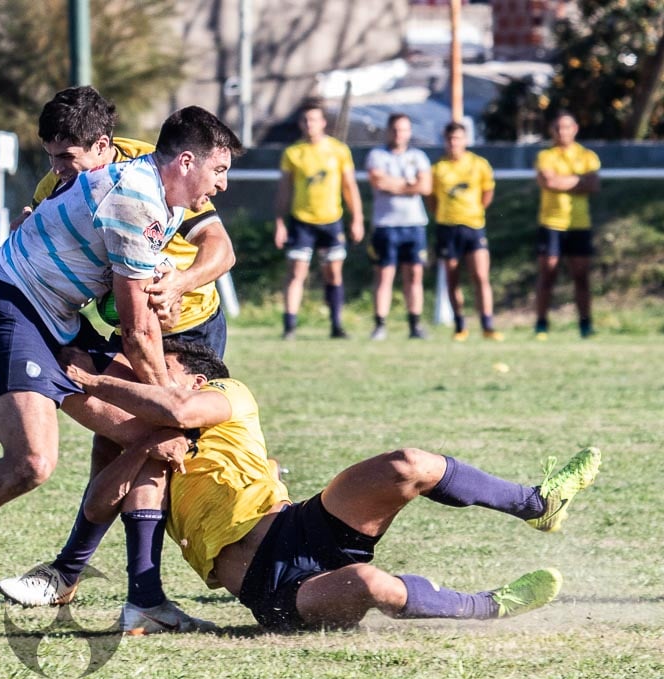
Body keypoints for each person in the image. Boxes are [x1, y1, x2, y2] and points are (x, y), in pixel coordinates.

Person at [0, 107, 245, 627]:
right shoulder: (137, 198)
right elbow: (136, 328)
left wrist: (169, 293)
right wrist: (172, 407)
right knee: (33, 462)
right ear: (187, 161)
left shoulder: (157, 195)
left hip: (54, 317)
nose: (224, 184)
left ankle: (141, 599)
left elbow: (147, 283)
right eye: (219, 170)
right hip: (7, 312)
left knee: (146, 436)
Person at [51, 339, 600, 632]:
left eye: (157, 369)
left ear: (196, 378)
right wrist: (143, 446)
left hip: (298, 523)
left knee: (407, 463)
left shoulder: (225, 394)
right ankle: (488, 607)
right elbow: (101, 502)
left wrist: (96, 379)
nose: (143, 381)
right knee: (367, 583)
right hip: (269, 588)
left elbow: (176, 405)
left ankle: (538, 502)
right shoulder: (151, 446)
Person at [18, 86, 236, 357]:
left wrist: (179, 284)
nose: (56, 168)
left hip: (191, 324)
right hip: (129, 325)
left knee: (170, 399)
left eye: (66, 157)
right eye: (50, 155)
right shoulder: (56, 184)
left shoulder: (154, 169)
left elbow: (221, 247)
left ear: (101, 145)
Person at [274, 99, 364, 340]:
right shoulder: (293, 153)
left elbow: (350, 187)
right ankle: (289, 326)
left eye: (313, 119)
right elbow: (284, 190)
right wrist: (280, 223)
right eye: (305, 120)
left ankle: (336, 325)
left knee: (333, 274)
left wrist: (357, 219)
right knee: (296, 273)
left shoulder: (338, 150)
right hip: (302, 222)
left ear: (323, 122)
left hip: (331, 220)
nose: (309, 124)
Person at [429, 122, 503, 342]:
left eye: (458, 138)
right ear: (445, 140)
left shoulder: (479, 164)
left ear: (466, 140)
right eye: (450, 139)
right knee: (452, 278)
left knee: (480, 275)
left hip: (473, 226)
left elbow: (487, 193)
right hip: (447, 228)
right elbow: (432, 200)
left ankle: (487, 324)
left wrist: (474, 211)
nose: (454, 143)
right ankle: (460, 325)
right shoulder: (438, 168)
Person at [534, 111, 601, 339]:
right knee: (548, 274)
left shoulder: (587, 156)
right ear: (552, 131)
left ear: (575, 130)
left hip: (579, 224)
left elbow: (593, 184)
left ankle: (585, 324)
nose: (562, 132)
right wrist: (577, 181)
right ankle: (541, 324)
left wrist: (563, 182)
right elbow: (548, 181)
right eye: (558, 128)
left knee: (581, 276)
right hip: (551, 223)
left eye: (566, 127)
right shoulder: (546, 155)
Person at [365, 114, 432, 340]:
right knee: (384, 275)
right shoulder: (377, 155)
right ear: (388, 130)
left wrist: (395, 185)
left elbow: (425, 186)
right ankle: (380, 324)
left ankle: (414, 324)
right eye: (395, 129)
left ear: (409, 132)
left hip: (414, 224)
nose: (399, 134)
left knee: (414, 274)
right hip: (386, 225)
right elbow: (379, 182)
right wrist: (408, 185)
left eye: (403, 130)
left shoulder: (418, 156)